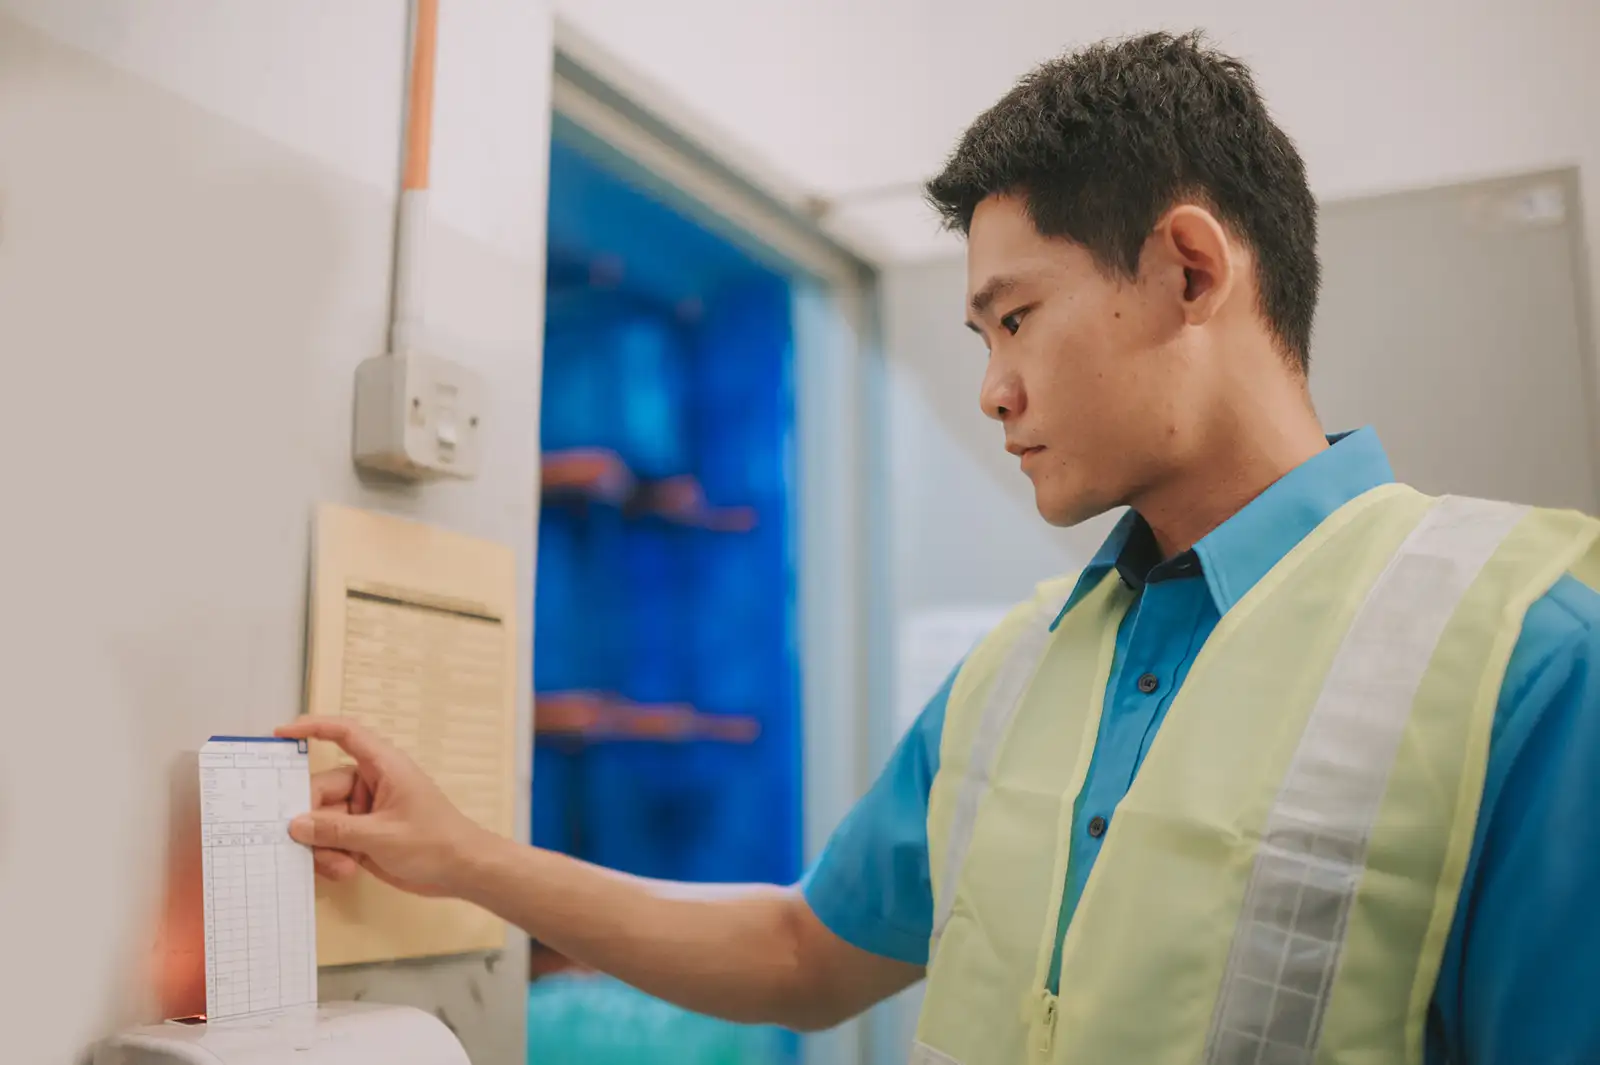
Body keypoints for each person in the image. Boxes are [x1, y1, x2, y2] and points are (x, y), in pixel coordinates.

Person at [280, 30, 1600, 1065]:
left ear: (1192, 271)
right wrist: (460, 859)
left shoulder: (1522, 661)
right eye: (978, 338)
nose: (992, 390)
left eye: (1015, 319)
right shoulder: (1019, 670)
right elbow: (806, 952)